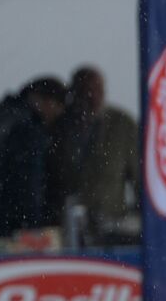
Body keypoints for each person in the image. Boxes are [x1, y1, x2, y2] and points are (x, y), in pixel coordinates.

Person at [0, 76, 66, 238]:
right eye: (58, 107)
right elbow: (29, 187)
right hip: (13, 227)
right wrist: (32, 228)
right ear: (46, 101)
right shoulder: (30, 130)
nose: (56, 115)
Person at [47, 66, 139, 243]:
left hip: (112, 228)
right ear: (74, 94)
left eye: (98, 90)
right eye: (86, 91)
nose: (93, 97)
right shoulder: (60, 127)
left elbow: (140, 178)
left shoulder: (122, 125)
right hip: (66, 226)